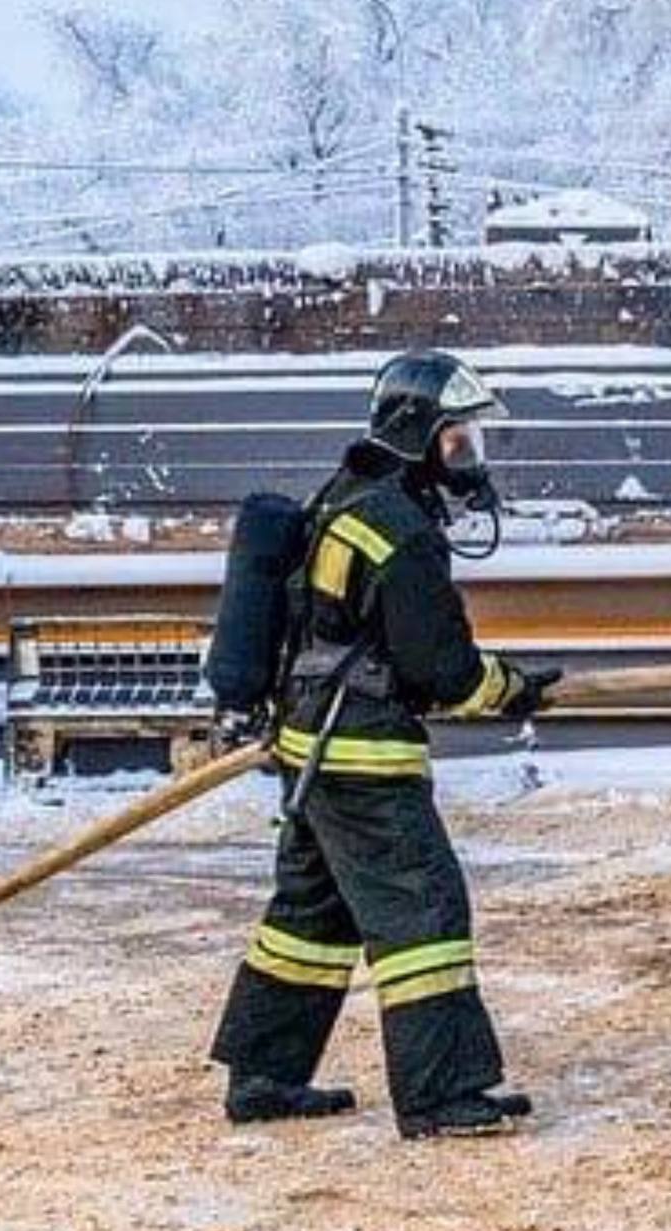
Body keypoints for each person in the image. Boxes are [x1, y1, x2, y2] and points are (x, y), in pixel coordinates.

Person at [208, 350, 558, 1139]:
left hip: (313, 741)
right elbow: (443, 670)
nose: (469, 456)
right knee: (423, 910)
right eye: (458, 439)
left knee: (311, 915)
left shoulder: (345, 498)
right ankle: (441, 1095)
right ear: (419, 437)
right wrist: (516, 688)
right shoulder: (400, 531)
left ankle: (262, 1074)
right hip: (363, 756)